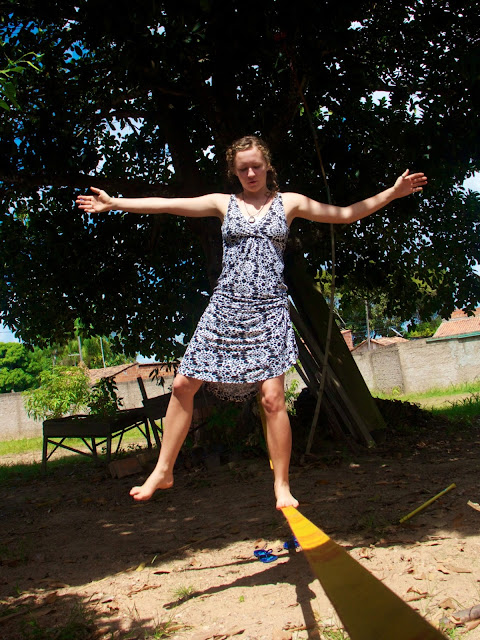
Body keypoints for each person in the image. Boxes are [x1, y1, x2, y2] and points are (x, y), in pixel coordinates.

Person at [76, 135, 427, 509]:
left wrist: (392, 193)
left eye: (256, 166)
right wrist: (115, 203)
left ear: (267, 165)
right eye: (243, 168)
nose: (250, 173)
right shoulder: (223, 204)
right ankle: (164, 471)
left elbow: (344, 213)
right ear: (234, 171)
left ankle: (282, 485)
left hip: (269, 311)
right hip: (225, 309)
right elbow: (168, 204)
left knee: (273, 399)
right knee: (182, 385)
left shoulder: (288, 203)